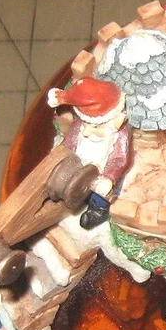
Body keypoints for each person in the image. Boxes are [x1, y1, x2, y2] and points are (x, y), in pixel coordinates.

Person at [47, 77, 133, 230]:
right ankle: (74, 196)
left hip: (102, 170)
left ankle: (98, 209)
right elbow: (69, 142)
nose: (90, 128)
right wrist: (61, 153)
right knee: (69, 182)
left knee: (101, 191)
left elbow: (120, 159)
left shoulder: (119, 134)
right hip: (77, 165)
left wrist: (109, 177)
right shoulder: (79, 126)